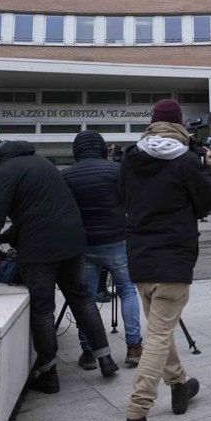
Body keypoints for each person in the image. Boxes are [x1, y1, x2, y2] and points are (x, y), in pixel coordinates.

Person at [0, 136, 119, 394]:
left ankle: (49, 374)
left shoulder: (4, 173)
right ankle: (105, 358)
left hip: (39, 249)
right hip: (73, 241)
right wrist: (7, 236)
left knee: (43, 309)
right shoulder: (41, 163)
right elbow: (39, 209)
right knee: (82, 298)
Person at [119, 98, 211, 421]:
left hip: (140, 259)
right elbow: (207, 203)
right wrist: (205, 167)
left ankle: (179, 386)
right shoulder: (186, 160)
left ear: (152, 123)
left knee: (162, 328)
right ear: (177, 125)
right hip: (173, 260)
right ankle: (136, 416)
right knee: (159, 335)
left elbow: (125, 201)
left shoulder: (130, 158)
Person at [62, 131, 143, 369]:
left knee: (85, 299)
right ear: (102, 149)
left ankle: (89, 351)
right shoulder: (116, 171)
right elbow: (131, 201)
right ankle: (134, 347)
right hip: (117, 239)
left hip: (85, 244)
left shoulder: (67, 176)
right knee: (127, 290)